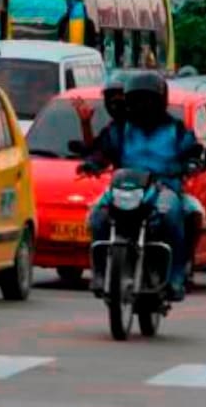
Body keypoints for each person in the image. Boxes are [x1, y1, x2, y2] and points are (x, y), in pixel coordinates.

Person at [80, 70, 196, 302]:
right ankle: (101, 273)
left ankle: (175, 276)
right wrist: (92, 164)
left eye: (147, 99)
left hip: (165, 188)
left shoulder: (176, 129)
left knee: (173, 215)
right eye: (136, 100)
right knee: (97, 217)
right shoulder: (120, 129)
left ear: (160, 101)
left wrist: (193, 162)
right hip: (126, 187)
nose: (142, 106)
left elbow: (192, 150)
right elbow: (103, 150)